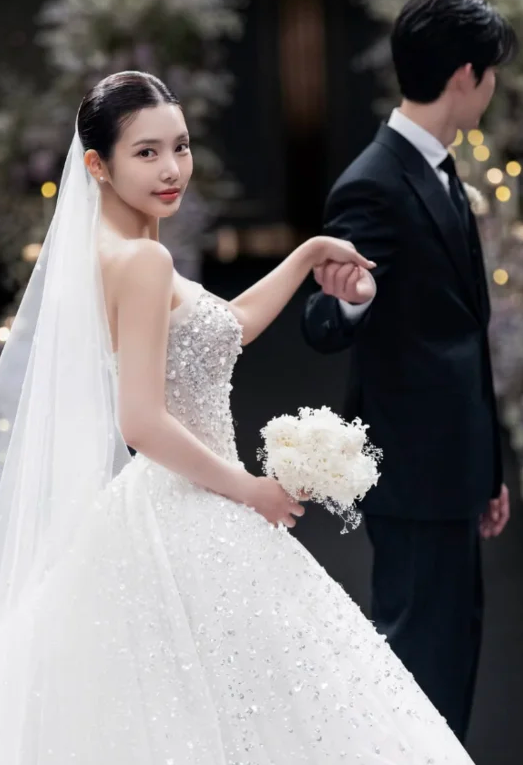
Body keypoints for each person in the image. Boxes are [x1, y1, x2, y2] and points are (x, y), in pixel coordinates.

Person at [0, 70, 475, 764]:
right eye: (146, 152)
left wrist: (306, 255)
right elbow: (141, 422)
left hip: (167, 504)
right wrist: (249, 489)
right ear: (97, 165)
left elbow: (224, 326)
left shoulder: (116, 251)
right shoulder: (143, 260)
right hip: (194, 505)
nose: (172, 169)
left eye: (180, 146)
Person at [302, 0, 517, 743]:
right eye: (491, 71)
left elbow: (462, 337)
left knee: (451, 658)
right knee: (415, 668)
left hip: (453, 471)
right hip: (412, 475)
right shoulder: (373, 181)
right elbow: (321, 322)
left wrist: (486, 471)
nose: (494, 85)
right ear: (465, 76)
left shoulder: (439, 169)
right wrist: (351, 300)